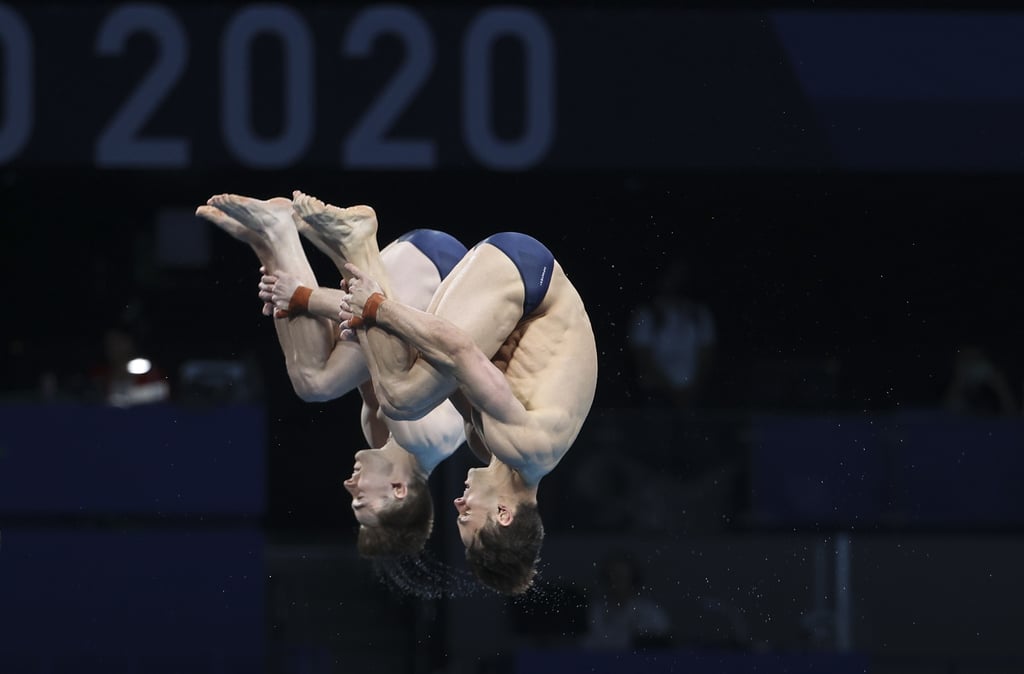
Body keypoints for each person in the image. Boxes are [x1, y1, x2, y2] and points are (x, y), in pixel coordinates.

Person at [271, 191, 598, 595]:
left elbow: (435, 358)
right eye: (467, 520)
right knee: (402, 397)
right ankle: (356, 242)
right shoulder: (526, 447)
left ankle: (347, 246)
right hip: (528, 278)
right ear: (503, 514)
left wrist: (343, 308)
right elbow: (459, 350)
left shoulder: (487, 447)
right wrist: (370, 306)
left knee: (402, 384)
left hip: (519, 278)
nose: (457, 507)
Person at [195, 194, 467, 557]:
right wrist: (303, 296)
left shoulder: (379, 435)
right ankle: (279, 233)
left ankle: (269, 240)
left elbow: (356, 335)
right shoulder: (430, 437)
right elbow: (384, 316)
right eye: (361, 502)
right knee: (316, 383)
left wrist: (286, 290)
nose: (348, 485)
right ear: (398, 489)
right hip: (440, 271)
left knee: (316, 373)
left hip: (406, 275)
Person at [628, 259, 716, 408]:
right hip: (656, 394)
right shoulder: (647, 315)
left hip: (693, 393)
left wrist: (691, 389)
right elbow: (643, 358)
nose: (676, 283)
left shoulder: (699, 315)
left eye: (681, 278)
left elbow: (707, 354)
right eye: (671, 277)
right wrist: (671, 390)